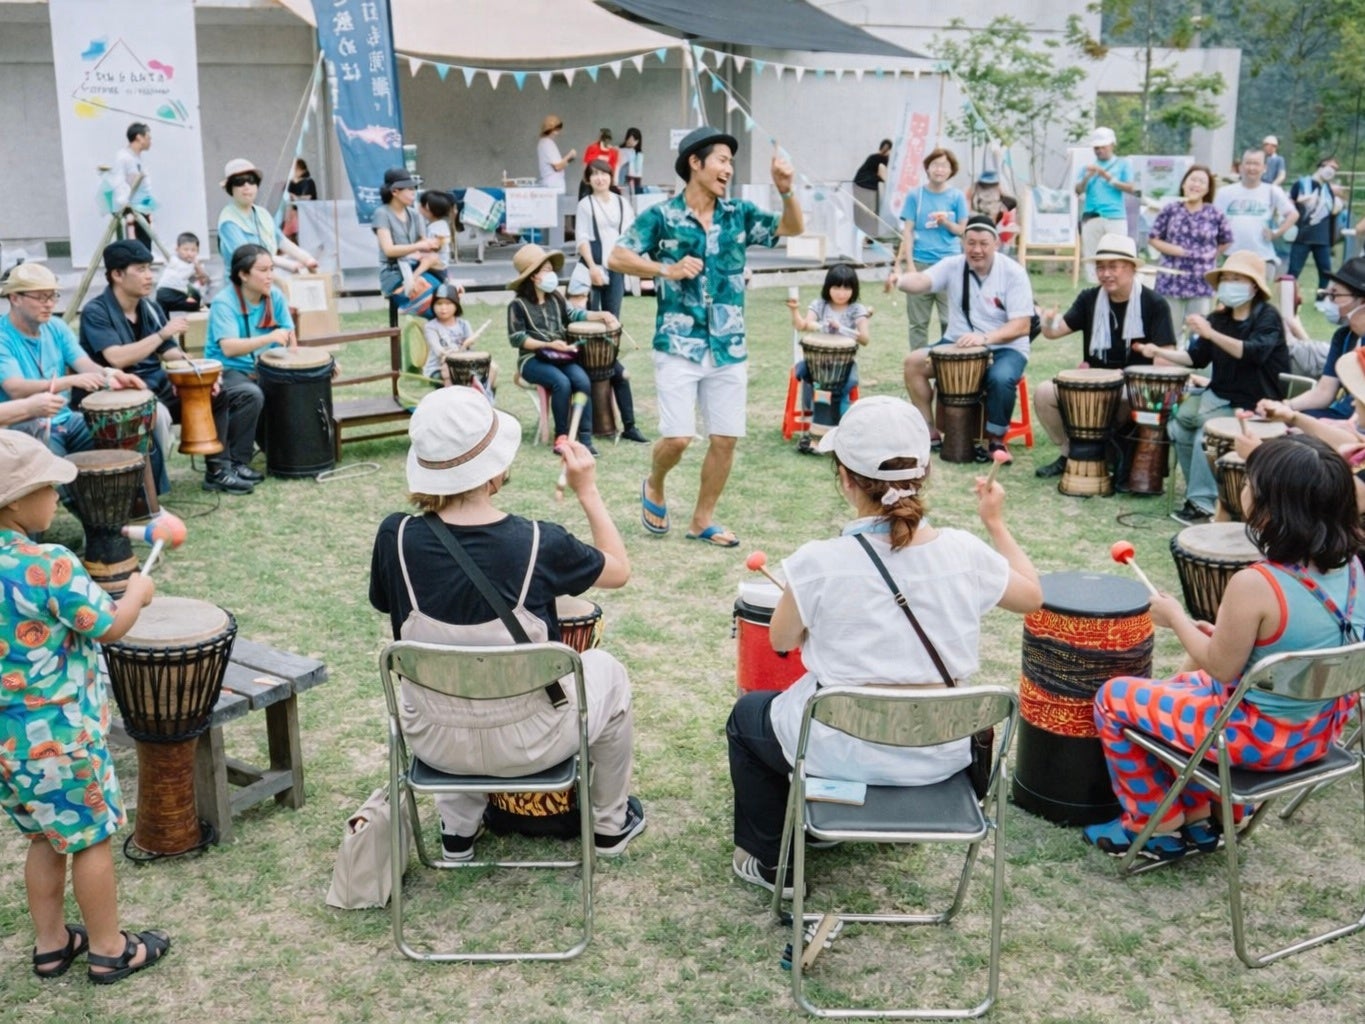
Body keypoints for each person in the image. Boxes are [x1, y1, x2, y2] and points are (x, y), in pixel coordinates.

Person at [725, 396, 1042, 893]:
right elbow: (1032, 597)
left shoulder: (818, 562)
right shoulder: (964, 552)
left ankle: (772, 865)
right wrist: (995, 524)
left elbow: (781, 639)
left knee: (748, 718)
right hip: (939, 753)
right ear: (925, 472)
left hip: (840, 751)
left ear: (845, 479)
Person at [368, 386, 645, 859]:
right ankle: (608, 826)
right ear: (496, 467)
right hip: (534, 741)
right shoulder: (539, 541)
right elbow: (618, 570)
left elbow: (385, 605)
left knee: (446, 667)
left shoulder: (395, 536)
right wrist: (588, 490)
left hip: (434, 739)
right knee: (609, 672)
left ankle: (458, 833)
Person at [1085, 434, 1364, 861]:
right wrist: (1216, 634)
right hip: (1317, 735)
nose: (1244, 488)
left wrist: (1176, 618)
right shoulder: (1355, 571)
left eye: (1251, 483)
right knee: (1182, 684)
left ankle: (1154, 825)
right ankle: (1211, 813)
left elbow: (1221, 667)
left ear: (1272, 507)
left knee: (1113, 698)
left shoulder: (1256, 584)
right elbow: (1285, 648)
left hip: (1253, 742)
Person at [0, 431, 171, 983]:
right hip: (62, 737)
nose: (58, 496)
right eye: (48, 487)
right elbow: (109, 627)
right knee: (91, 838)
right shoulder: (49, 562)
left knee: (45, 837)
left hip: (8, 743)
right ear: (15, 503)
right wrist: (137, 594)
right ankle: (108, 949)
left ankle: (52, 945)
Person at [609, 125, 804, 548]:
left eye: (731, 162)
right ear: (695, 163)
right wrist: (666, 269)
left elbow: (791, 228)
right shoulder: (662, 216)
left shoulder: (739, 214)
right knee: (678, 438)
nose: (728, 169)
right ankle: (655, 482)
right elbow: (618, 256)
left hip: (729, 345)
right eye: (722, 160)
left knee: (725, 439)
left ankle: (702, 520)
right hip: (678, 344)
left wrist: (786, 191)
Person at [82, 239, 254, 492]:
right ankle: (149, 490)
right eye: (140, 269)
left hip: (156, 383)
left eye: (149, 269)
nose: (149, 276)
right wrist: (162, 334)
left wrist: (198, 373)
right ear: (117, 274)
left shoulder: (150, 308)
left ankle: (219, 471)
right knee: (156, 412)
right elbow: (117, 358)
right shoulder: (96, 311)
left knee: (216, 393)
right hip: (119, 391)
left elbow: (170, 351)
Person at [1133, 250, 1289, 525]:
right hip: (1219, 397)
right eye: (1226, 278)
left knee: (1203, 436)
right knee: (1178, 426)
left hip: (1255, 404)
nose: (1229, 284)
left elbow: (1252, 353)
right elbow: (1196, 358)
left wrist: (1210, 333)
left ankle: (1203, 503)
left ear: (1254, 286)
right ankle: (1201, 494)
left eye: (1237, 278)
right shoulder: (1219, 319)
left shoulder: (1268, 317)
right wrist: (1158, 351)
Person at [1033, 234, 1178, 480]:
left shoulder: (1154, 303)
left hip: (1135, 387)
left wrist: (1130, 375)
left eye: (1113, 267)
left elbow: (1165, 361)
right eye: (1100, 267)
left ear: (1131, 268)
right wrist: (1047, 321)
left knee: (1122, 397)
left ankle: (1109, 454)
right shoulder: (1089, 298)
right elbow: (1054, 332)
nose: (1105, 273)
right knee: (1044, 393)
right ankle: (1070, 454)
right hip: (1092, 383)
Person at [897, 215, 1035, 465]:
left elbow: (1022, 325)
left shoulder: (1014, 273)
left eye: (983, 243)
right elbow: (923, 281)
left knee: (1001, 378)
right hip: (957, 342)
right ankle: (929, 432)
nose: (976, 250)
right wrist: (900, 280)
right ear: (963, 243)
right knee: (913, 363)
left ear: (996, 244)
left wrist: (984, 338)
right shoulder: (952, 265)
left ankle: (996, 440)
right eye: (971, 243)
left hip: (1006, 347)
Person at [0, 262, 144, 456]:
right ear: (15, 298)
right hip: (23, 425)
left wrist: (111, 376)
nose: (49, 304)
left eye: (53, 296)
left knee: (121, 434)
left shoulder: (57, 327)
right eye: (41, 297)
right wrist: (69, 381)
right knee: (54, 462)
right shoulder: (3, 336)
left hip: (66, 419)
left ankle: (139, 476)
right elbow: (15, 388)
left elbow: (85, 365)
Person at [506, 243, 619, 455]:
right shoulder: (518, 305)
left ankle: (584, 437)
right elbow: (517, 339)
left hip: (559, 355)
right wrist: (547, 344)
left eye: (551, 270)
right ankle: (562, 436)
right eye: (546, 270)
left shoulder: (556, 297)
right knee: (562, 383)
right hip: (532, 360)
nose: (552, 274)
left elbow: (574, 315)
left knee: (582, 380)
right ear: (533, 276)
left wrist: (600, 315)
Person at [202, 243, 295, 494]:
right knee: (250, 393)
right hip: (226, 371)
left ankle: (293, 454)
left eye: (272, 269)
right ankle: (235, 463)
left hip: (266, 367)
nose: (270, 276)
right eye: (263, 270)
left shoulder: (275, 297)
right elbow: (229, 348)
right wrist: (269, 337)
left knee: (298, 390)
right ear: (243, 274)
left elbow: (290, 336)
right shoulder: (224, 302)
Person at [1265, 256, 1365, 422]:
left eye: (1335, 295)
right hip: (1337, 417)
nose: (1329, 301)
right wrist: (1285, 406)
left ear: (1361, 301)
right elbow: (1324, 391)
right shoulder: (1343, 337)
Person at [890, 147, 969, 350]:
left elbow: (962, 230)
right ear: (927, 168)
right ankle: (917, 362)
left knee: (949, 320)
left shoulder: (957, 197)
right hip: (920, 263)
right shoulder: (915, 196)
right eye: (935, 165)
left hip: (950, 265)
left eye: (944, 166)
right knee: (918, 322)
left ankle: (949, 361)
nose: (939, 170)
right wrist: (910, 265)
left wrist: (945, 222)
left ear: (951, 170)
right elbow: (907, 232)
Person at [787, 263, 871, 454]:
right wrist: (794, 311)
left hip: (844, 365)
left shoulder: (857, 309)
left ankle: (835, 432)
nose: (841, 293)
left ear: (854, 289)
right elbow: (803, 326)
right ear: (828, 287)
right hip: (817, 364)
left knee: (840, 386)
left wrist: (842, 329)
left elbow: (865, 339)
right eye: (836, 287)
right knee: (812, 379)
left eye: (846, 288)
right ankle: (824, 434)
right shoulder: (820, 305)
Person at [1147, 164, 1233, 323]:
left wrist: (1210, 255)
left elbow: (1226, 240)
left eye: (1202, 182)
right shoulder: (1170, 209)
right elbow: (1153, 238)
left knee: (1199, 329)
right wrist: (1177, 251)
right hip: (1171, 280)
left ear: (1207, 189)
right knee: (1170, 328)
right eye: (1193, 179)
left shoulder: (1215, 213)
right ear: (1184, 184)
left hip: (1202, 281)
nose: (1196, 184)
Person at [215, 158, 319, 273]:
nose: (246, 186)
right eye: (239, 182)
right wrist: (289, 265)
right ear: (231, 188)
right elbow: (248, 255)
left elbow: (280, 240)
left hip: (266, 278)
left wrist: (307, 259)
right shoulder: (228, 221)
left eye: (251, 180)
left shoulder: (262, 214)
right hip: (241, 281)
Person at [1213, 149, 1297, 282]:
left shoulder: (1272, 191)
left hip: (1262, 258)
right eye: (1248, 163)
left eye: (1256, 164)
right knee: (1230, 294)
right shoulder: (1225, 192)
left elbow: (1293, 214)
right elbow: (1214, 222)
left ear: (1264, 168)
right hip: (1231, 257)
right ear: (1241, 167)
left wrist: (1276, 233)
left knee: (1258, 295)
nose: (1252, 168)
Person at [371, 168, 441, 318]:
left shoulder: (415, 215)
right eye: (409, 189)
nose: (413, 193)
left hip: (417, 268)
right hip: (394, 272)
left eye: (414, 189)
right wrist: (418, 246)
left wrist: (431, 244)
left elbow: (423, 244)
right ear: (395, 191)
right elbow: (389, 250)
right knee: (434, 306)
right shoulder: (382, 213)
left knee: (446, 298)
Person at [575, 159, 635, 318]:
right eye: (595, 174)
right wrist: (592, 267)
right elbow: (582, 238)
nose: (600, 178)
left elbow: (630, 233)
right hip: (593, 265)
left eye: (603, 174)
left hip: (616, 266)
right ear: (588, 179)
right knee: (591, 315)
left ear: (610, 177)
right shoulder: (585, 205)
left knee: (613, 316)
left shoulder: (622, 203)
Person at [1075, 127, 1135, 283]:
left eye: (1103, 146)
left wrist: (1107, 177)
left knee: (1117, 254)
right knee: (1092, 256)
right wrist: (1088, 177)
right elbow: (1078, 190)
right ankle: (1094, 286)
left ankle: (1117, 286)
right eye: (1096, 147)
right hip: (1091, 215)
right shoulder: (1087, 167)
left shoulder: (1123, 164)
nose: (1099, 150)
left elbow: (1131, 188)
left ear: (1112, 145)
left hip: (1115, 216)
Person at [421, 284, 496, 395]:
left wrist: (468, 345)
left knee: (492, 368)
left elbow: (470, 349)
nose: (443, 308)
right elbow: (439, 351)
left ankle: (485, 399)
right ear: (433, 305)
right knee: (449, 373)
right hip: (438, 367)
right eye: (439, 303)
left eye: (448, 303)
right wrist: (461, 347)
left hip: (464, 365)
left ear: (456, 305)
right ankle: (453, 400)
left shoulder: (463, 324)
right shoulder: (431, 327)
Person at [1287, 157, 1343, 283]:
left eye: (1335, 169)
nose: (1332, 171)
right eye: (1331, 167)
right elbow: (1288, 205)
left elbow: (1332, 212)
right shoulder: (1301, 184)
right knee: (1293, 273)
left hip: (1322, 239)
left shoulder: (1328, 189)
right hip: (1301, 236)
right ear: (1321, 166)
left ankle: (1322, 296)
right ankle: (1288, 295)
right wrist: (1298, 203)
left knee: (1326, 273)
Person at [111, 122, 155, 248]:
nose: (150, 141)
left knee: (145, 240)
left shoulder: (137, 158)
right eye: (148, 138)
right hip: (131, 207)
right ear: (139, 137)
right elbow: (118, 181)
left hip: (141, 205)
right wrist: (125, 203)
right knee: (137, 242)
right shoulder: (124, 157)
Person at [154, 232, 211, 313]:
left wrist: (197, 265)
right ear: (177, 249)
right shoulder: (174, 260)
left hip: (178, 293)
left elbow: (203, 280)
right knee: (195, 302)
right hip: (166, 291)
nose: (189, 253)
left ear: (198, 251)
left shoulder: (195, 265)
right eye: (185, 249)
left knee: (196, 298)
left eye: (193, 250)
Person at [851, 138, 891, 242]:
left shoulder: (874, 157)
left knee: (864, 215)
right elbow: (883, 174)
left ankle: (864, 238)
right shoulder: (882, 159)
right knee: (869, 214)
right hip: (866, 187)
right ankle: (867, 238)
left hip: (860, 185)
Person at [969, 170, 1016, 250]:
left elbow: (1011, 203)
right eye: (985, 186)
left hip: (999, 239)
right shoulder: (974, 195)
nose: (988, 190)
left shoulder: (1004, 206)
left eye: (992, 186)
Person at [536, 115, 576, 192]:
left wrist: (568, 160)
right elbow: (558, 167)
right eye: (556, 129)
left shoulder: (544, 143)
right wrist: (570, 154)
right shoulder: (547, 143)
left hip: (551, 183)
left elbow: (557, 164)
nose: (558, 132)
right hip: (554, 184)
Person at [283, 157, 317, 243]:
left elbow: (308, 197)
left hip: (306, 214)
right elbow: (291, 199)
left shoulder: (308, 182)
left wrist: (296, 198)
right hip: (295, 214)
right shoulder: (292, 182)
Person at [617, 127, 644, 193]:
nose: (631, 142)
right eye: (630, 139)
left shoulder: (639, 154)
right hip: (621, 178)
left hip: (635, 179)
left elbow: (637, 169)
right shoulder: (619, 150)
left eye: (635, 140)